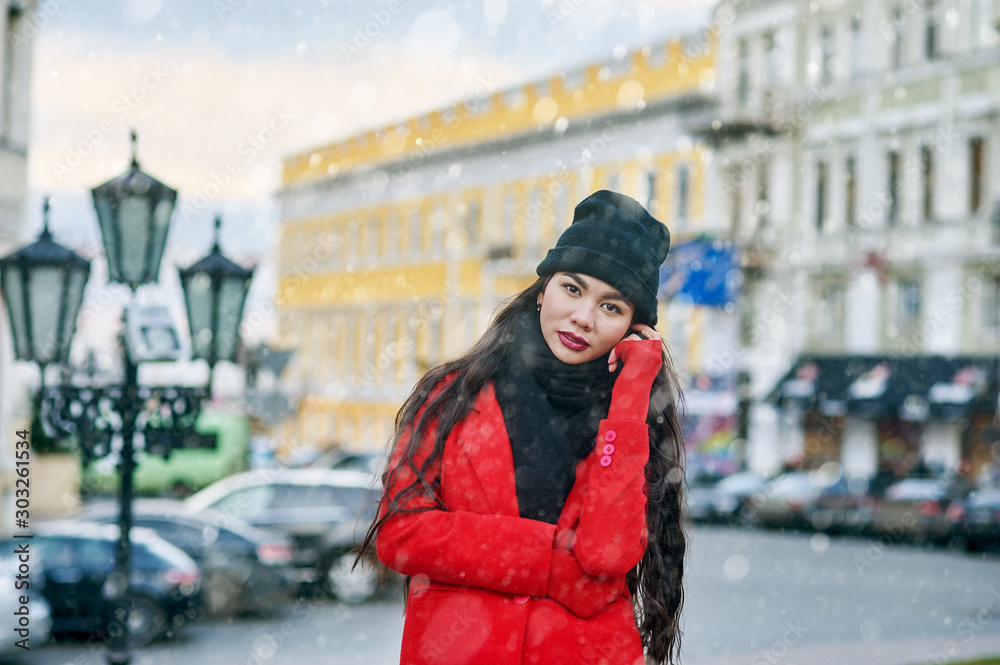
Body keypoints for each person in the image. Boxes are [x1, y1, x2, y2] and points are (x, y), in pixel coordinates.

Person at [357, 190, 686, 665]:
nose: (583, 317)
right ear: (542, 290)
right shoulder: (451, 395)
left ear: (634, 328)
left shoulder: (632, 423)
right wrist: (548, 563)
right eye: (572, 289)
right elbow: (401, 536)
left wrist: (632, 395)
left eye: (611, 307)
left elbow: (607, 555)